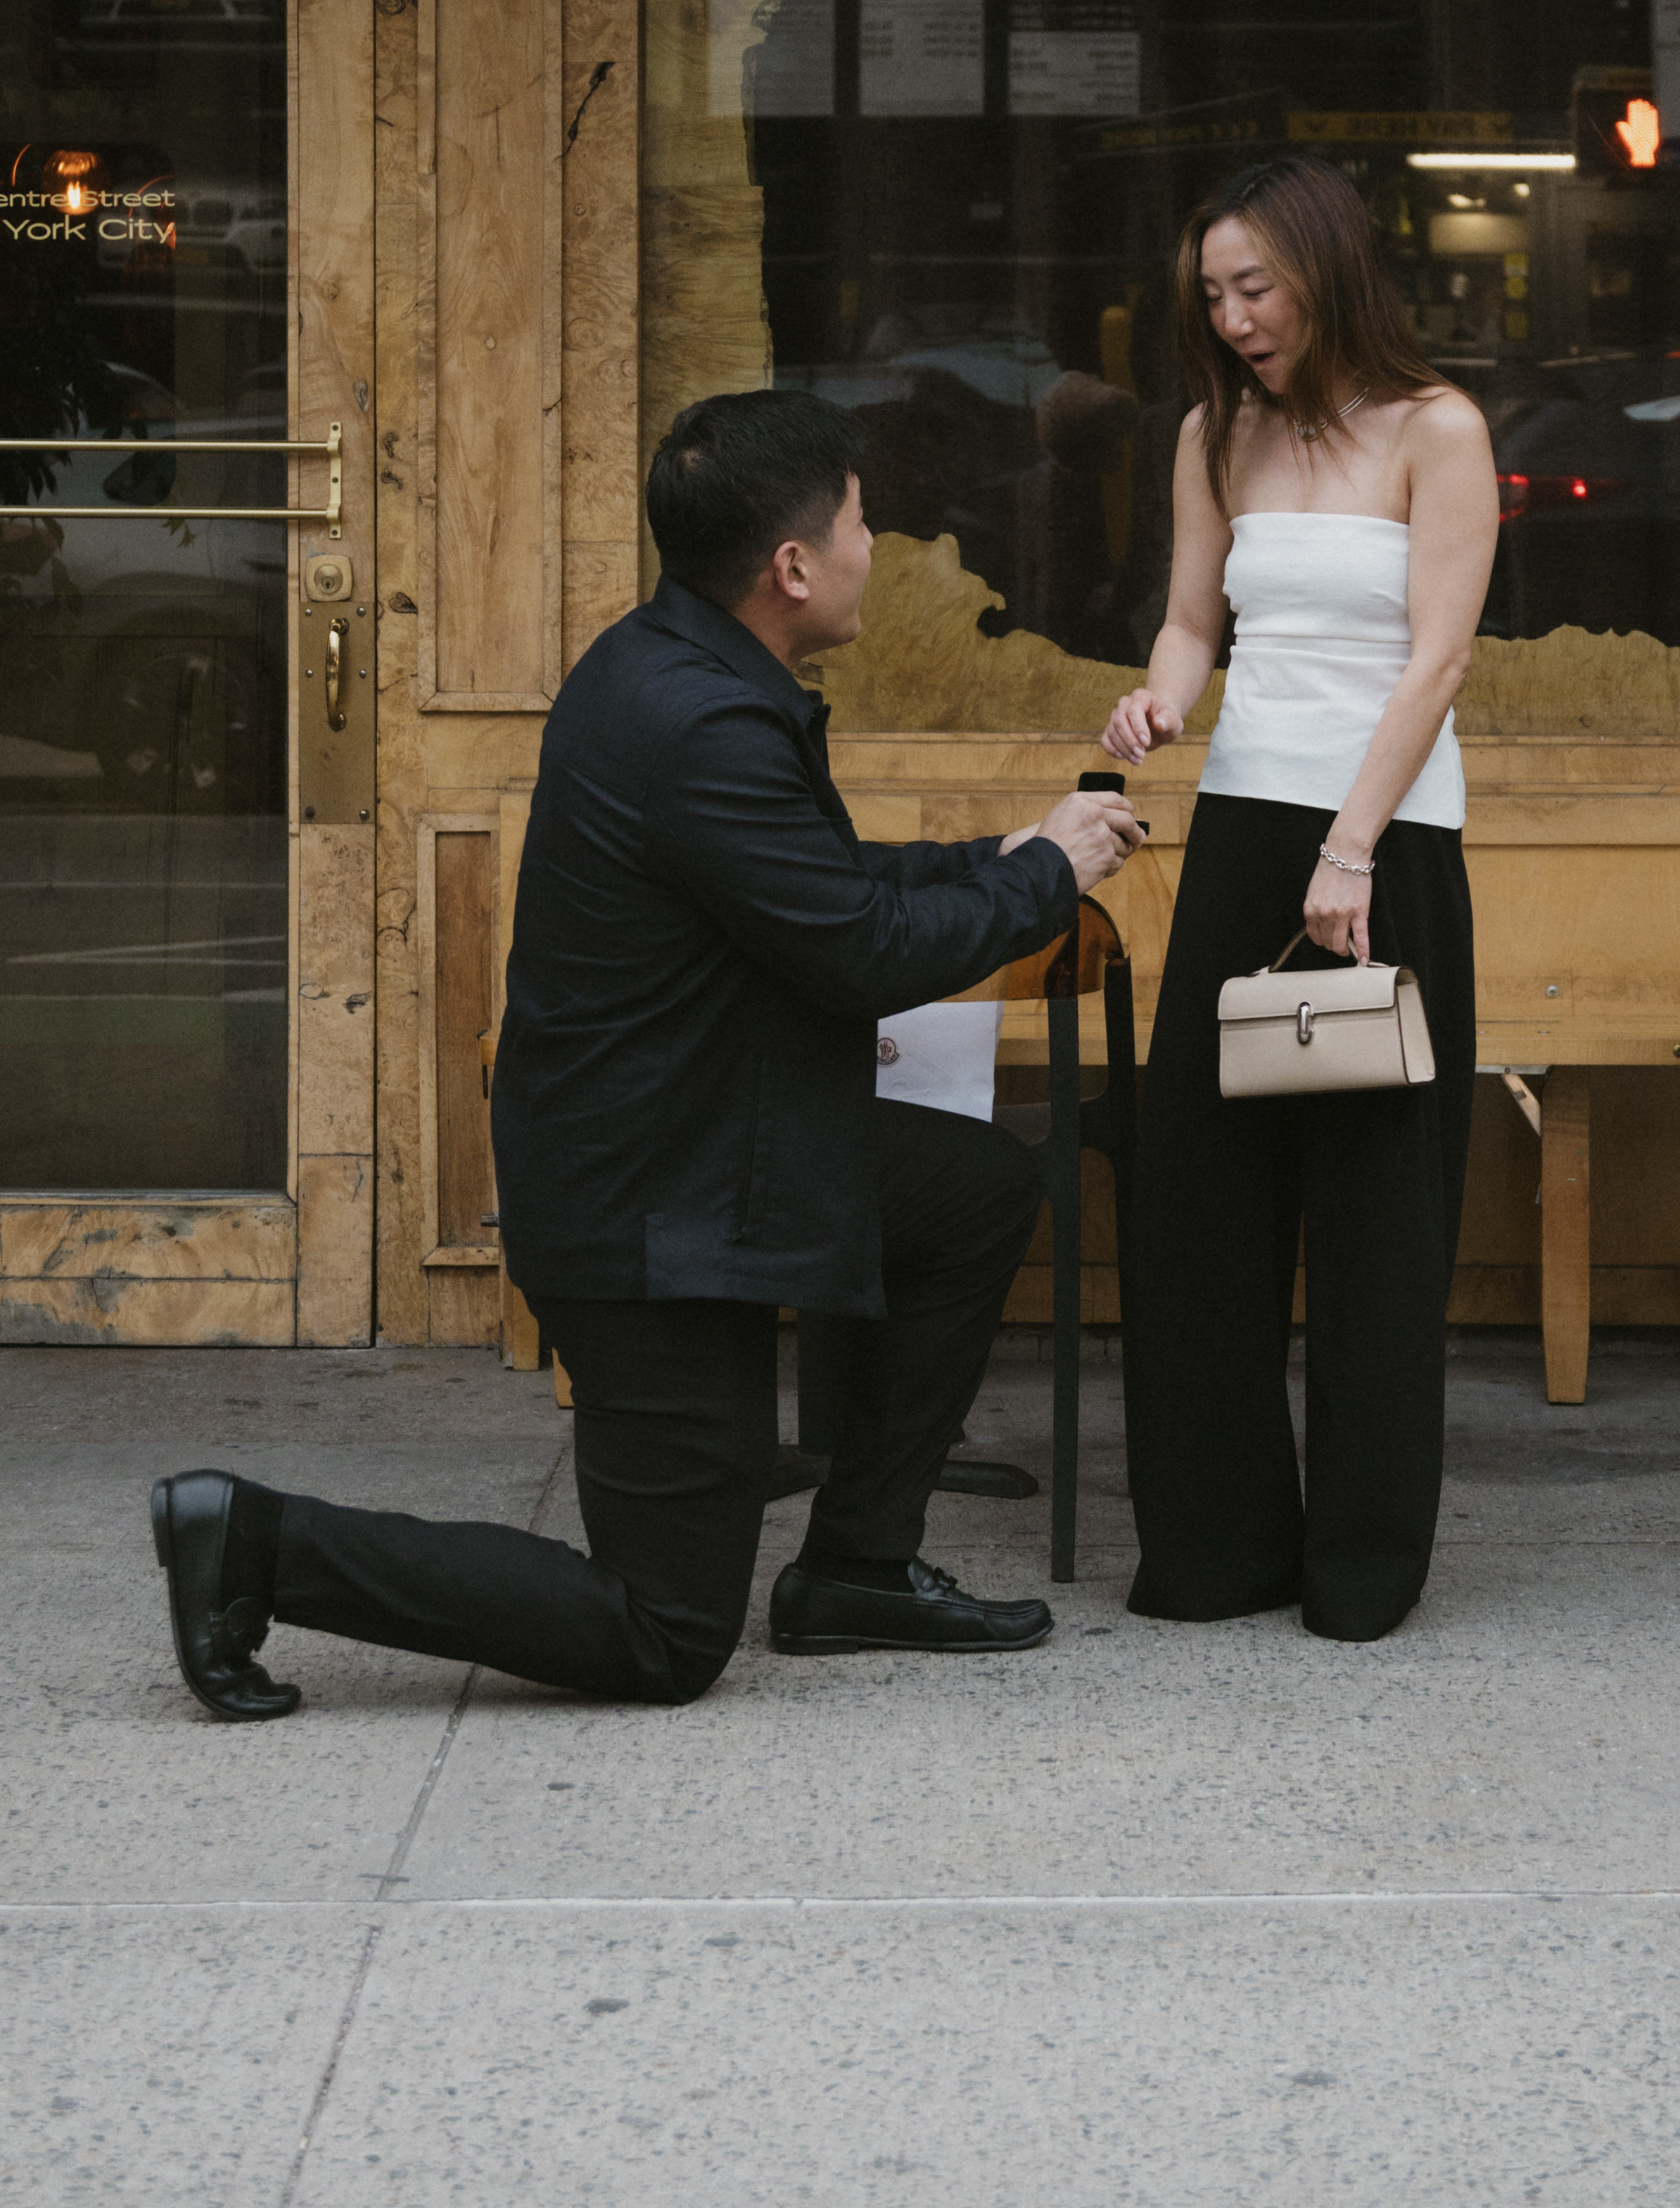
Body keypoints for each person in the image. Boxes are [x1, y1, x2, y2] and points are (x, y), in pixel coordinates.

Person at [149, 388, 1138, 1720]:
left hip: (710, 1144)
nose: (874, 544)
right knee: (666, 1635)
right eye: (862, 522)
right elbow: (853, 953)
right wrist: (1046, 883)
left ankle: (856, 1566)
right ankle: (258, 1543)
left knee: (972, 1192)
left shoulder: (686, 668)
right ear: (792, 567)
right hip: (651, 1211)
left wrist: (1005, 857)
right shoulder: (700, 721)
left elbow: (815, 884)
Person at [1100, 157, 1496, 1642]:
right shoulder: (1219, 431)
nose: (1235, 316)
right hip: (1243, 835)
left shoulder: (1437, 430)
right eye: (1212, 294)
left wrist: (1350, 849)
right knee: (1200, 1201)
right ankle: (1215, 1553)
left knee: (1374, 1216)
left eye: (1254, 285)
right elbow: (1196, 617)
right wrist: (1156, 703)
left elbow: (1436, 661)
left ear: (1324, 270)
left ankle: (1360, 1567)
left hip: (1384, 843)